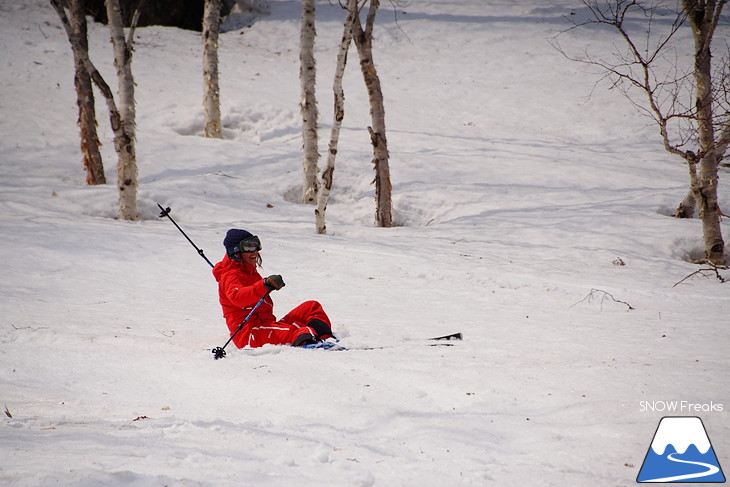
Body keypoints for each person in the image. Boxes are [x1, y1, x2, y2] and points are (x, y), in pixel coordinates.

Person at [212, 228, 335, 348]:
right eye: (248, 247)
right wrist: (263, 286)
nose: (254, 252)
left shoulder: (249, 272)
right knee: (299, 330)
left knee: (311, 307)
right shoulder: (230, 275)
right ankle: (312, 345)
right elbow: (237, 297)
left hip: (264, 326)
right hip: (249, 334)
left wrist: (266, 285)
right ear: (235, 251)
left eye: (256, 245)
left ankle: (325, 338)